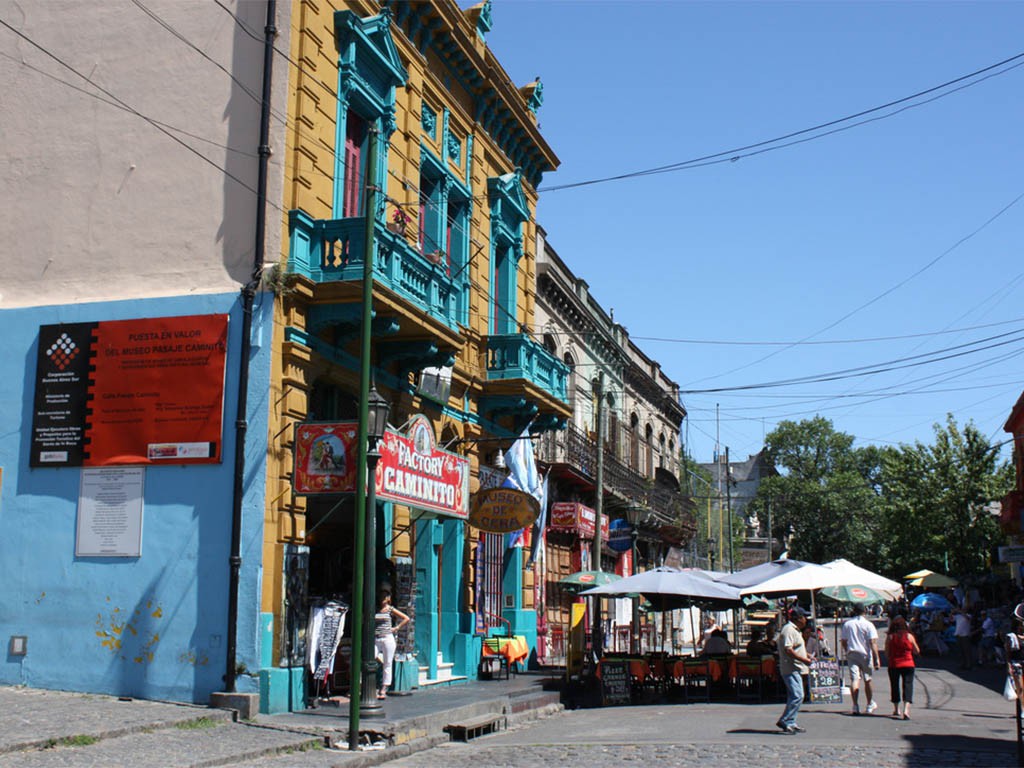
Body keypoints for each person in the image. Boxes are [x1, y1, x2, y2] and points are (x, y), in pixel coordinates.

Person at [776, 606, 814, 734]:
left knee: (796, 696)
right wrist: (803, 660)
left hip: (797, 668)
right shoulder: (789, 630)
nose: (806, 620)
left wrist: (807, 655)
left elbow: (796, 648)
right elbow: (788, 649)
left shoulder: (796, 630)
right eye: (804, 617)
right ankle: (785, 720)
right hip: (790, 667)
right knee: (798, 695)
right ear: (798, 618)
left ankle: (791, 721)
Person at [840, 604, 880, 715]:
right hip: (865, 654)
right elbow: (873, 642)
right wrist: (877, 659)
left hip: (852, 653)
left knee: (854, 679)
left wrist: (847, 650)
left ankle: (855, 705)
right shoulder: (868, 624)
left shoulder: (847, 624)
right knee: (867, 679)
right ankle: (869, 704)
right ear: (865, 611)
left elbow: (843, 641)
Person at [374, 589, 410, 699]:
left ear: (389, 598)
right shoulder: (376, 609)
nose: (383, 598)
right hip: (376, 638)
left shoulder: (390, 609)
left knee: (388, 664)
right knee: (371, 658)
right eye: (382, 596)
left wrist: (397, 628)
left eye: (386, 596)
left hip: (387, 638)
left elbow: (406, 618)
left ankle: (383, 689)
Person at [885, 615, 921, 720]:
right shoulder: (909, 636)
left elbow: (887, 652)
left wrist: (891, 657)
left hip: (894, 664)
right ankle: (906, 710)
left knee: (894, 685)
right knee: (908, 685)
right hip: (908, 663)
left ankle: (896, 709)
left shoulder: (890, 636)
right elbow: (917, 651)